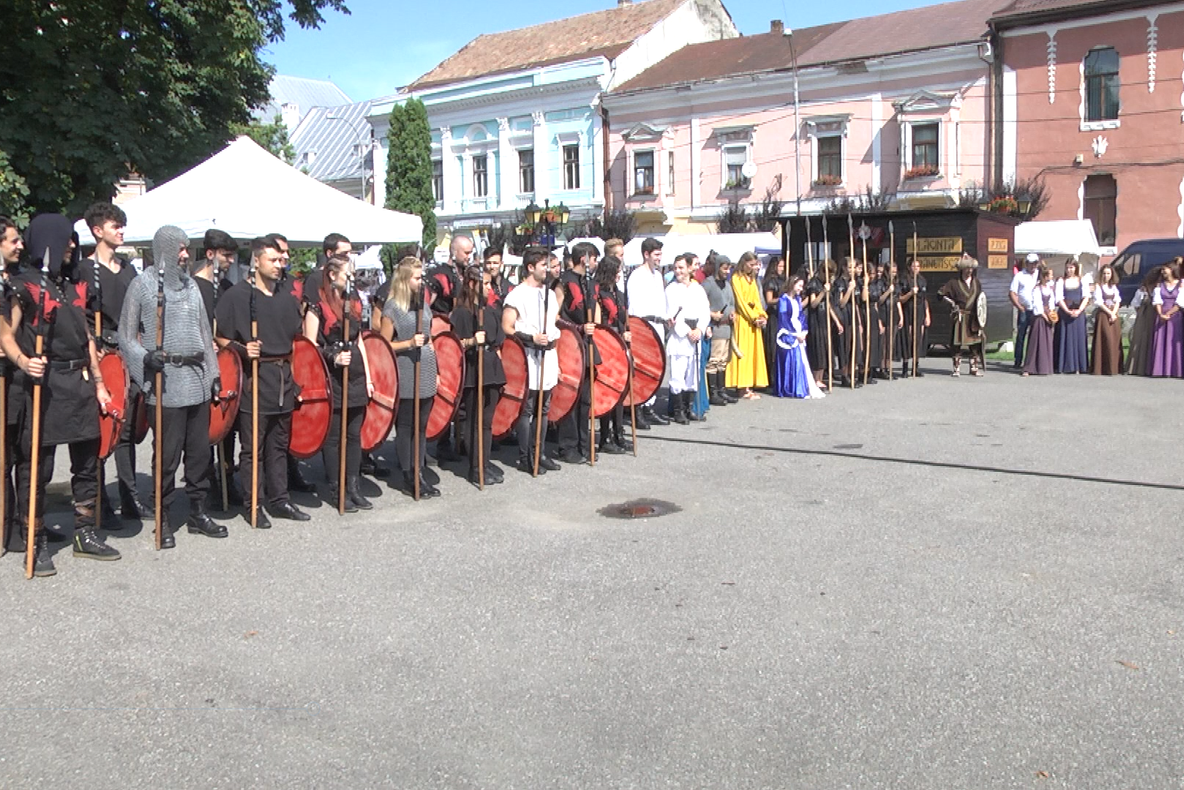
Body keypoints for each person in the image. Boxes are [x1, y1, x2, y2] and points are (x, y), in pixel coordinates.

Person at [1, 214, 119, 575]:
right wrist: (23, 360)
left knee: (87, 462)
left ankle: (85, 534)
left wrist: (99, 384)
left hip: (77, 383)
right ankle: (33, 543)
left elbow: (86, 339)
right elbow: (5, 334)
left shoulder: (74, 286)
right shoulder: (22, 285)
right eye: (66, 239)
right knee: (37, 467)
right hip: (43, 385)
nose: (72, 245)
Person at [119, 226, 224, 548]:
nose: (184, 254)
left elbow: (205, 335)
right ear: (164, 248)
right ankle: (162, 516)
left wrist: (214, 374)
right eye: (179, 248)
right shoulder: (142, 286)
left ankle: (197, 511)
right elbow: (125, 336)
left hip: (195, 380)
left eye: (186, 249)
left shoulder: (192, 287)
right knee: (166, 456)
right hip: (165, 382)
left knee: (198, 454)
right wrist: (144, 357)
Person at [215, 236, 309, 528]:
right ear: (256, 260)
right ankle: (253, 504)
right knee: (252, 448)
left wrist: (297, 382)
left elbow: (297, 341)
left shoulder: (286, 297)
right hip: (254, 378)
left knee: (279, 445)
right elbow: (219, 336)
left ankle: (279, 499)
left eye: (281, 260)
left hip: (282, 378)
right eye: (272, 260)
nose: (279, 266)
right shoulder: (237, 296)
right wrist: (243, 349)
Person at [79, 202, 151, 523]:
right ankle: (100, 503)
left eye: (122, 226)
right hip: (100, 353)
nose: (121, 231)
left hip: (128, 353)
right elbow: (80, 319)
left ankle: (130, 496)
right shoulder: (84, 270)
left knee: (126, 429)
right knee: (102, 428)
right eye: (114, 226)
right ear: (97, 231)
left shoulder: (129, 270)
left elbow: (140, 315)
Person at [305, 253, 373, 512]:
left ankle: (354, 487)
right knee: (334, 437)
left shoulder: (353, 302)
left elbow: (360, 341)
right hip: (331, 376)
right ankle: (336, 489)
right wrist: (332, 355)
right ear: (333, 275)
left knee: (354, 435)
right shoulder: (317, 305)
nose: (351, 279)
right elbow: (310, 345)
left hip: (354, 373)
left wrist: (367, 375)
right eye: (348, 274)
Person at [381, 257, 440, 497]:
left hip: (424, 366)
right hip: (405, 368)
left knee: (421, 426)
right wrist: (407, 343)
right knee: (406, 425)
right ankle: (408, 474)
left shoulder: (422, 304)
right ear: (405, 280)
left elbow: (430, 338)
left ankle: (419, 471)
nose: (421, 281)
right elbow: (383, 345)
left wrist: (436, 370)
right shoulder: (392, 307)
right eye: (417, 277)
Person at [503, 248, 562, 474]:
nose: (547, 270)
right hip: (527, 355)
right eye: (543, 266)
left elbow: (554, 326)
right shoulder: (516, 294)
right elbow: (507, 327)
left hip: (548, 355)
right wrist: (531, 337)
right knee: (527, 408)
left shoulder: (548, 293)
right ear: (530, 267)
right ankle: (525, 456)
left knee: (544, 407)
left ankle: (540, 452)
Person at [451, 264, 506, 487]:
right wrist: (472, 341)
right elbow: (454, 344)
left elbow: (498, 340)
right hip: (475, 369)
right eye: (484, 283)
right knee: (475, 420)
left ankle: (484, 461)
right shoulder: (462, 313)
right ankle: (475, 466)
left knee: (487, 421)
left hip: (491, 367)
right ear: (472, 284)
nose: (488, 287)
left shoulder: (490, 310)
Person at [556, 242, 600, 463]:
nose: (595, 263)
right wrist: (578, 328)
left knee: (585, 399)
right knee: (570, 397)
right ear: (585, 258)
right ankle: (568, 446)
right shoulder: (563, 282)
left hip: (587, 343)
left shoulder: (588, 283)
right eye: (594, 259)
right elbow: (555, 317)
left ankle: (585, 443)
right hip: (570, 343)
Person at [626, 238, 671, 425]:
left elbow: (661, 301)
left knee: (656, 366)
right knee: (642, 367)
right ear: (646, 254)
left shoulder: (658, 275)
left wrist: (667, 316)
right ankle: (637, 408)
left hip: (659, 325)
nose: (660, 258)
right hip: (644, 326)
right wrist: (640, 328)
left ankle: (649, 406)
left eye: (660, 254)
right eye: (656, 254)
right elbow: (634, 306)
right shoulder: (637, 276)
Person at [664, 255, 711, 424]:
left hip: (695, 335)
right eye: (675, 268)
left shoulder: (698, 289)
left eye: (681, 268)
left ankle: (689, 407)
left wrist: (700, 329)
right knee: (678, 375)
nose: (678, 271)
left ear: (689, 269)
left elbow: (705, 311)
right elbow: (671, 314)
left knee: (692, 376)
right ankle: (678, 411)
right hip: (680, 337)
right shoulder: (671, 289)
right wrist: (687, 332)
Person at [0, 216, 22, 554]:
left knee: (14, 452)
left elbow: (10, 327)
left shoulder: (12, 280)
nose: (19, 245)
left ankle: (15, 527)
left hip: (13, 372)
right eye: (13, 240)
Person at [594, 255, 631, 453]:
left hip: (621, 343)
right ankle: (605, 437)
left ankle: (619, 433)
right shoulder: (599, 294)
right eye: (617, 271)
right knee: (609, 391)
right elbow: (601, 323)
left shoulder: (617, 293)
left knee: (621, 390)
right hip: (608, 345)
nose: (619, 275)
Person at [726, 251, 769, 398]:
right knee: (743, 353)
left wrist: (762, 315)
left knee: (752, 353)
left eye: (754, 265)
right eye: (750, 265)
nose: (752, 268)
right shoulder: (736, 279)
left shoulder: (752, 279)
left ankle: (749, 385)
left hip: (753, 321)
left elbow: (756, 299)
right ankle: (741, 387)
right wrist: (752, 317)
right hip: (743, 320)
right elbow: (740, 302)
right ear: (743, 263)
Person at [774, 275, 824, 399]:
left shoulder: (797, 299)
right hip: (789, 333)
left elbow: (801, 316)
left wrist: (803, 330)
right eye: (799, 286)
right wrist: (794, 334)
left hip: (798, 331)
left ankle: (801, 386)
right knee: (793, 360)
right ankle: (790, 388)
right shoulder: (783, 300)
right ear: (792, 284)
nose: (801, 289)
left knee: (801, 361)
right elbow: (784, 319)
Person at [938, 256, 985, 377]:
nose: (970, 270)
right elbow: (941, 294)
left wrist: (981, 317)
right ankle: (956, 368)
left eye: (971, 268)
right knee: (957, 343)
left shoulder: (976, 282)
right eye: (967, 268)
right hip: (960, 316)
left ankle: (974, 367)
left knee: (975, 343)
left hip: (974, 316)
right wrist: (952, 303)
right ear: (962, 269)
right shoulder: (953, 283)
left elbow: (981, 300)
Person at [702, 254, 737, 407]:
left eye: (728, 268)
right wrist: (711, 314)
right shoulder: (708, 284)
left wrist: (733, 313)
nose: (727, 271)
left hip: (726, 327)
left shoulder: (727, 285)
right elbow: (701, 305)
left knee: (723, 361)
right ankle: (713, 392)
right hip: (715, 327)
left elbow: (732, 303)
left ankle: (721, 390)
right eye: (724, 268)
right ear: (717, 267)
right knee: (714, 361)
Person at [1054, 258, 1090, 374]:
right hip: (1065, 313)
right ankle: (1064, 365)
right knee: (1065, 338)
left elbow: (1086, 297)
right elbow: (1059, 298)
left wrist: (1079, 310)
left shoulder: (1082, 280)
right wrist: (1067, 311)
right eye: (1068, 267)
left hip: (1078, 313)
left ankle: (1079, 366)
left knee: (1078, 338)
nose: (1069, 270)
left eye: (1071, 267)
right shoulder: (1061, 281)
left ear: (1075, 268)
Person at [1148, 262, 1183, 378]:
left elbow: (1180, 302)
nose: (1163, 272)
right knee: (1161, 341)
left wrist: (1169, 313)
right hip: (1161, 315)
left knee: (1175, 342)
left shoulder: (1181, 284)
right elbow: (1157, 300)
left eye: (1165, 270)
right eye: (1162, 270)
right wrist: (1160, 314)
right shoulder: (1160, 285)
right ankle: (1160, 369)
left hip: (1175, 316)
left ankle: (1175, 369)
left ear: (1172, 270)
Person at [804, 260, 834, 390]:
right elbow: (813, 303)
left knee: (824, 349)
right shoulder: (814, 283)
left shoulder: (825, 283)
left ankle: (821, 378)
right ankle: (815, 379)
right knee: (818, 349)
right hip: (815, 320)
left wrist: (836, 321)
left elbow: (828, 305)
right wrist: (823, 292)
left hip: (824, 319)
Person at [1022, 266, 1057, 376]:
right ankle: (1029, 368)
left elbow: (1051, 303)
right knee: (1035, 342)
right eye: (1050, 274)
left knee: (1046, 342)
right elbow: (1037, 305)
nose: (1052, 276)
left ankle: (1044, 367)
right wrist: (1045, 316)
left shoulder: (1050, 289)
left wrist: (1052, 314)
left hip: (1047, 316)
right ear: (1045, 276)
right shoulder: (1037, 289)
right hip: (1039, 318)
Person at [898, 257, 930, 377]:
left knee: (918, 338)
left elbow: (925, 298)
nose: (915, 268)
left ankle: (915, 367)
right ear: (909, 267)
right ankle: (905, 367)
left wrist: (927, 314)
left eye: (918, 266)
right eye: (913, 266)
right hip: (908, 310)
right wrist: (911, 293)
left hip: (920, 310)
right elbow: (900, 299)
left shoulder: (922, 280)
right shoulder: (904, 280)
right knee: (908, 338)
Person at [831, 257, 860, 387]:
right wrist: (849, 289)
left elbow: (857, 304)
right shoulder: (839, 283)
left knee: (853, 346)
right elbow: (841, 303)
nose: (852, 270)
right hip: (843, 316)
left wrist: (859, 322)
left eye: (854, 267)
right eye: (850, 267)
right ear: (844, 268)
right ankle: (844, 375)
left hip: (852, 315)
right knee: (845, 346)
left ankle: (851, 373)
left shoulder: (854, 281)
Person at [1090, 263, 1123, 375]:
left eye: (1108, 273)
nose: (1106, 276)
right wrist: (1109, 313)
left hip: (1113, 315)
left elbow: (1118, 301)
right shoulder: (1098, 287)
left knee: (1114, 340)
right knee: (1105, 339)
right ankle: (1103, 367)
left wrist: (1114, 313)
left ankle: (1114, 367)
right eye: (1104, 273)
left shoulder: (1113, 287)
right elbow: (1099, 302)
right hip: (1104, 315)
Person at [1126, 266, 1160, 376]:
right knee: (1140, 340)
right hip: (1144, 316)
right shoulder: (1142, 290)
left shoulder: (1159, 290)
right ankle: (1137, 367)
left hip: (1154, 317)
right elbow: (1135, 304)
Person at [1010, 253, 1040, 371]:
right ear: (1026, 263)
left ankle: (1031, 361)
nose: (1033, 266)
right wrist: (1019, 306)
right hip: (1024, 309)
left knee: (1035, 336)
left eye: (1035, 263)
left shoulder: (1039, 274)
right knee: (1021, 335)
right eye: (1031, 263)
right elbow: (1012, 292)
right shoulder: (1019, 276)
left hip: (1036, 310)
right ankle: (1018, 360)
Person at [762, 255, 787, 386]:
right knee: (773, 347)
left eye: (783, 266)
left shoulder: (783, 280)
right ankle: (771, 378)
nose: (782, 269)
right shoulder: (770, 281)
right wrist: (782, 298)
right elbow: (769, 300)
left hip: (782, 316)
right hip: (773, 317)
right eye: (780, 266)